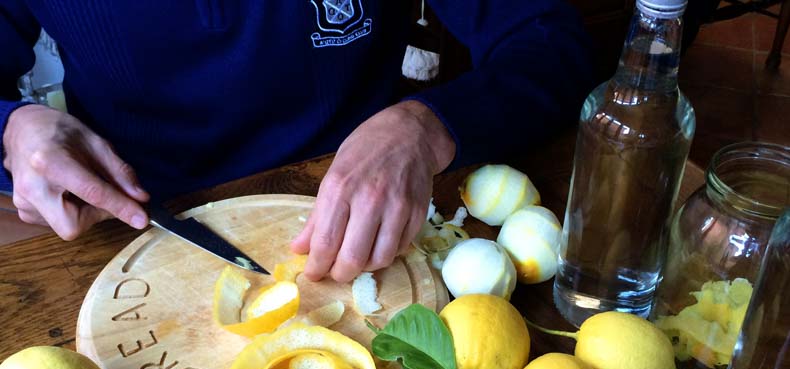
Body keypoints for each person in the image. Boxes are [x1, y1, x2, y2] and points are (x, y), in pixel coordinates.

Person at [1, 1, 593, 282]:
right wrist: (14, 126)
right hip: (132, 228)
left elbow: (555, 44)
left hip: (365, 224)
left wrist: (428, 124)